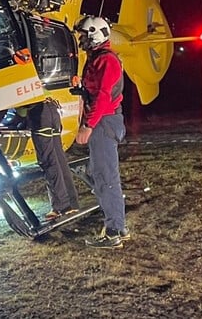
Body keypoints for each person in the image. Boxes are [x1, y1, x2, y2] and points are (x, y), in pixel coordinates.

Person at [74, 15, 130, 249]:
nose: (81, 40)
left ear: (95, 35)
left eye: (84, 35)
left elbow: (103, 97)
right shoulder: (98, 58)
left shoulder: (106, 60)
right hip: (105, 120)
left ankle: (114, 231)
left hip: (104, 122)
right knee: (103, 175)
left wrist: (87, 125)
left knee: (106, 178)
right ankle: (118, 227)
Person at [26, 97, 80, 221]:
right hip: (52, 110)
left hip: (40, 115)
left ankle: (61, 206)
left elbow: (20, 110)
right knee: (60, 160)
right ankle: (71, 203)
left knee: (49, 162)